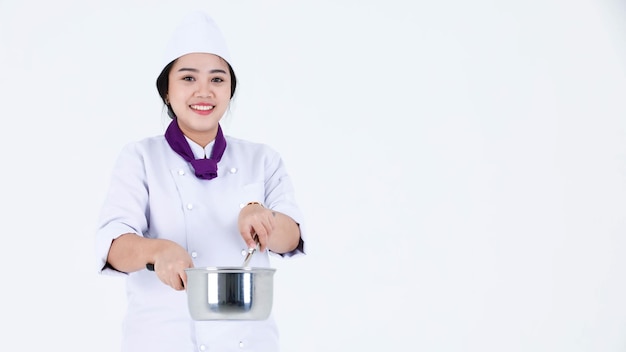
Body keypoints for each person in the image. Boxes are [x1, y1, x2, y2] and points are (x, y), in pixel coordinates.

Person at [94, 11, 306, 352]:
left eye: (217, 80)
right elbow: (112, 246)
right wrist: (156, 250)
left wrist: (267, 220)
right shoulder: (140, 158)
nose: (203, 92)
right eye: (188, 79)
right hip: (160, 341)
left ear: (231, 90)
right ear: (167, 91)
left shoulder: (261, 158)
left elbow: (292, 236)